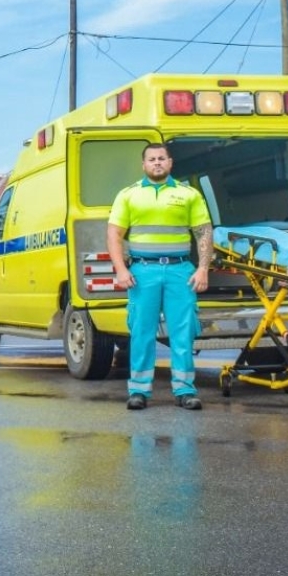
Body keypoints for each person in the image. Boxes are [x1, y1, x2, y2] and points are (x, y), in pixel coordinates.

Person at [106, 142, 213, 411]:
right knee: (141, 332)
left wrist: (202, 268)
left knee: (183, 333)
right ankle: (139, 391)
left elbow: (203, 232)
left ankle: (185, 390)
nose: (157, 163)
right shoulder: (128, 195)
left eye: (161, 158)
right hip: (143, 271)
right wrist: (121, 269)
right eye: (151, 159)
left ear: (170, 163)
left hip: (180, 272)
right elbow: (114, 234)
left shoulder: (189, 195)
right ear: (143, 165)